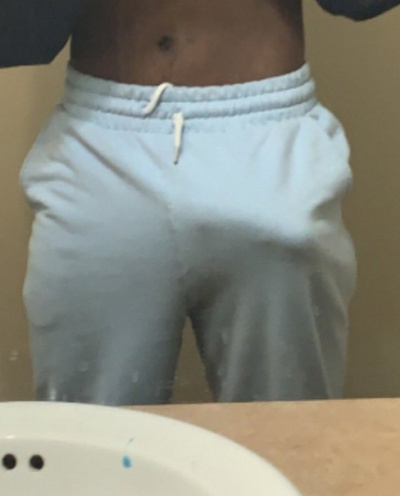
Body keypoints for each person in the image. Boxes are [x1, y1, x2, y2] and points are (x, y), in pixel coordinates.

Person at [2, 0, 398, 405]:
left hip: (265, 132)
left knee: (288, 426)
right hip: (100, 142)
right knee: (89, 430)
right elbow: (17, 34)